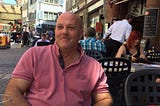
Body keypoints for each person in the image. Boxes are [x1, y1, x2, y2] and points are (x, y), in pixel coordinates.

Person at [4, 12, 112, 106]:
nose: (64, 32)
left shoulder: (94, 66)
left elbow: (105, 99)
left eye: (71, 28)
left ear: (81, 34)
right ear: (55, 31)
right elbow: (12, 91)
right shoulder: (34, 55)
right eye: (60, 27)